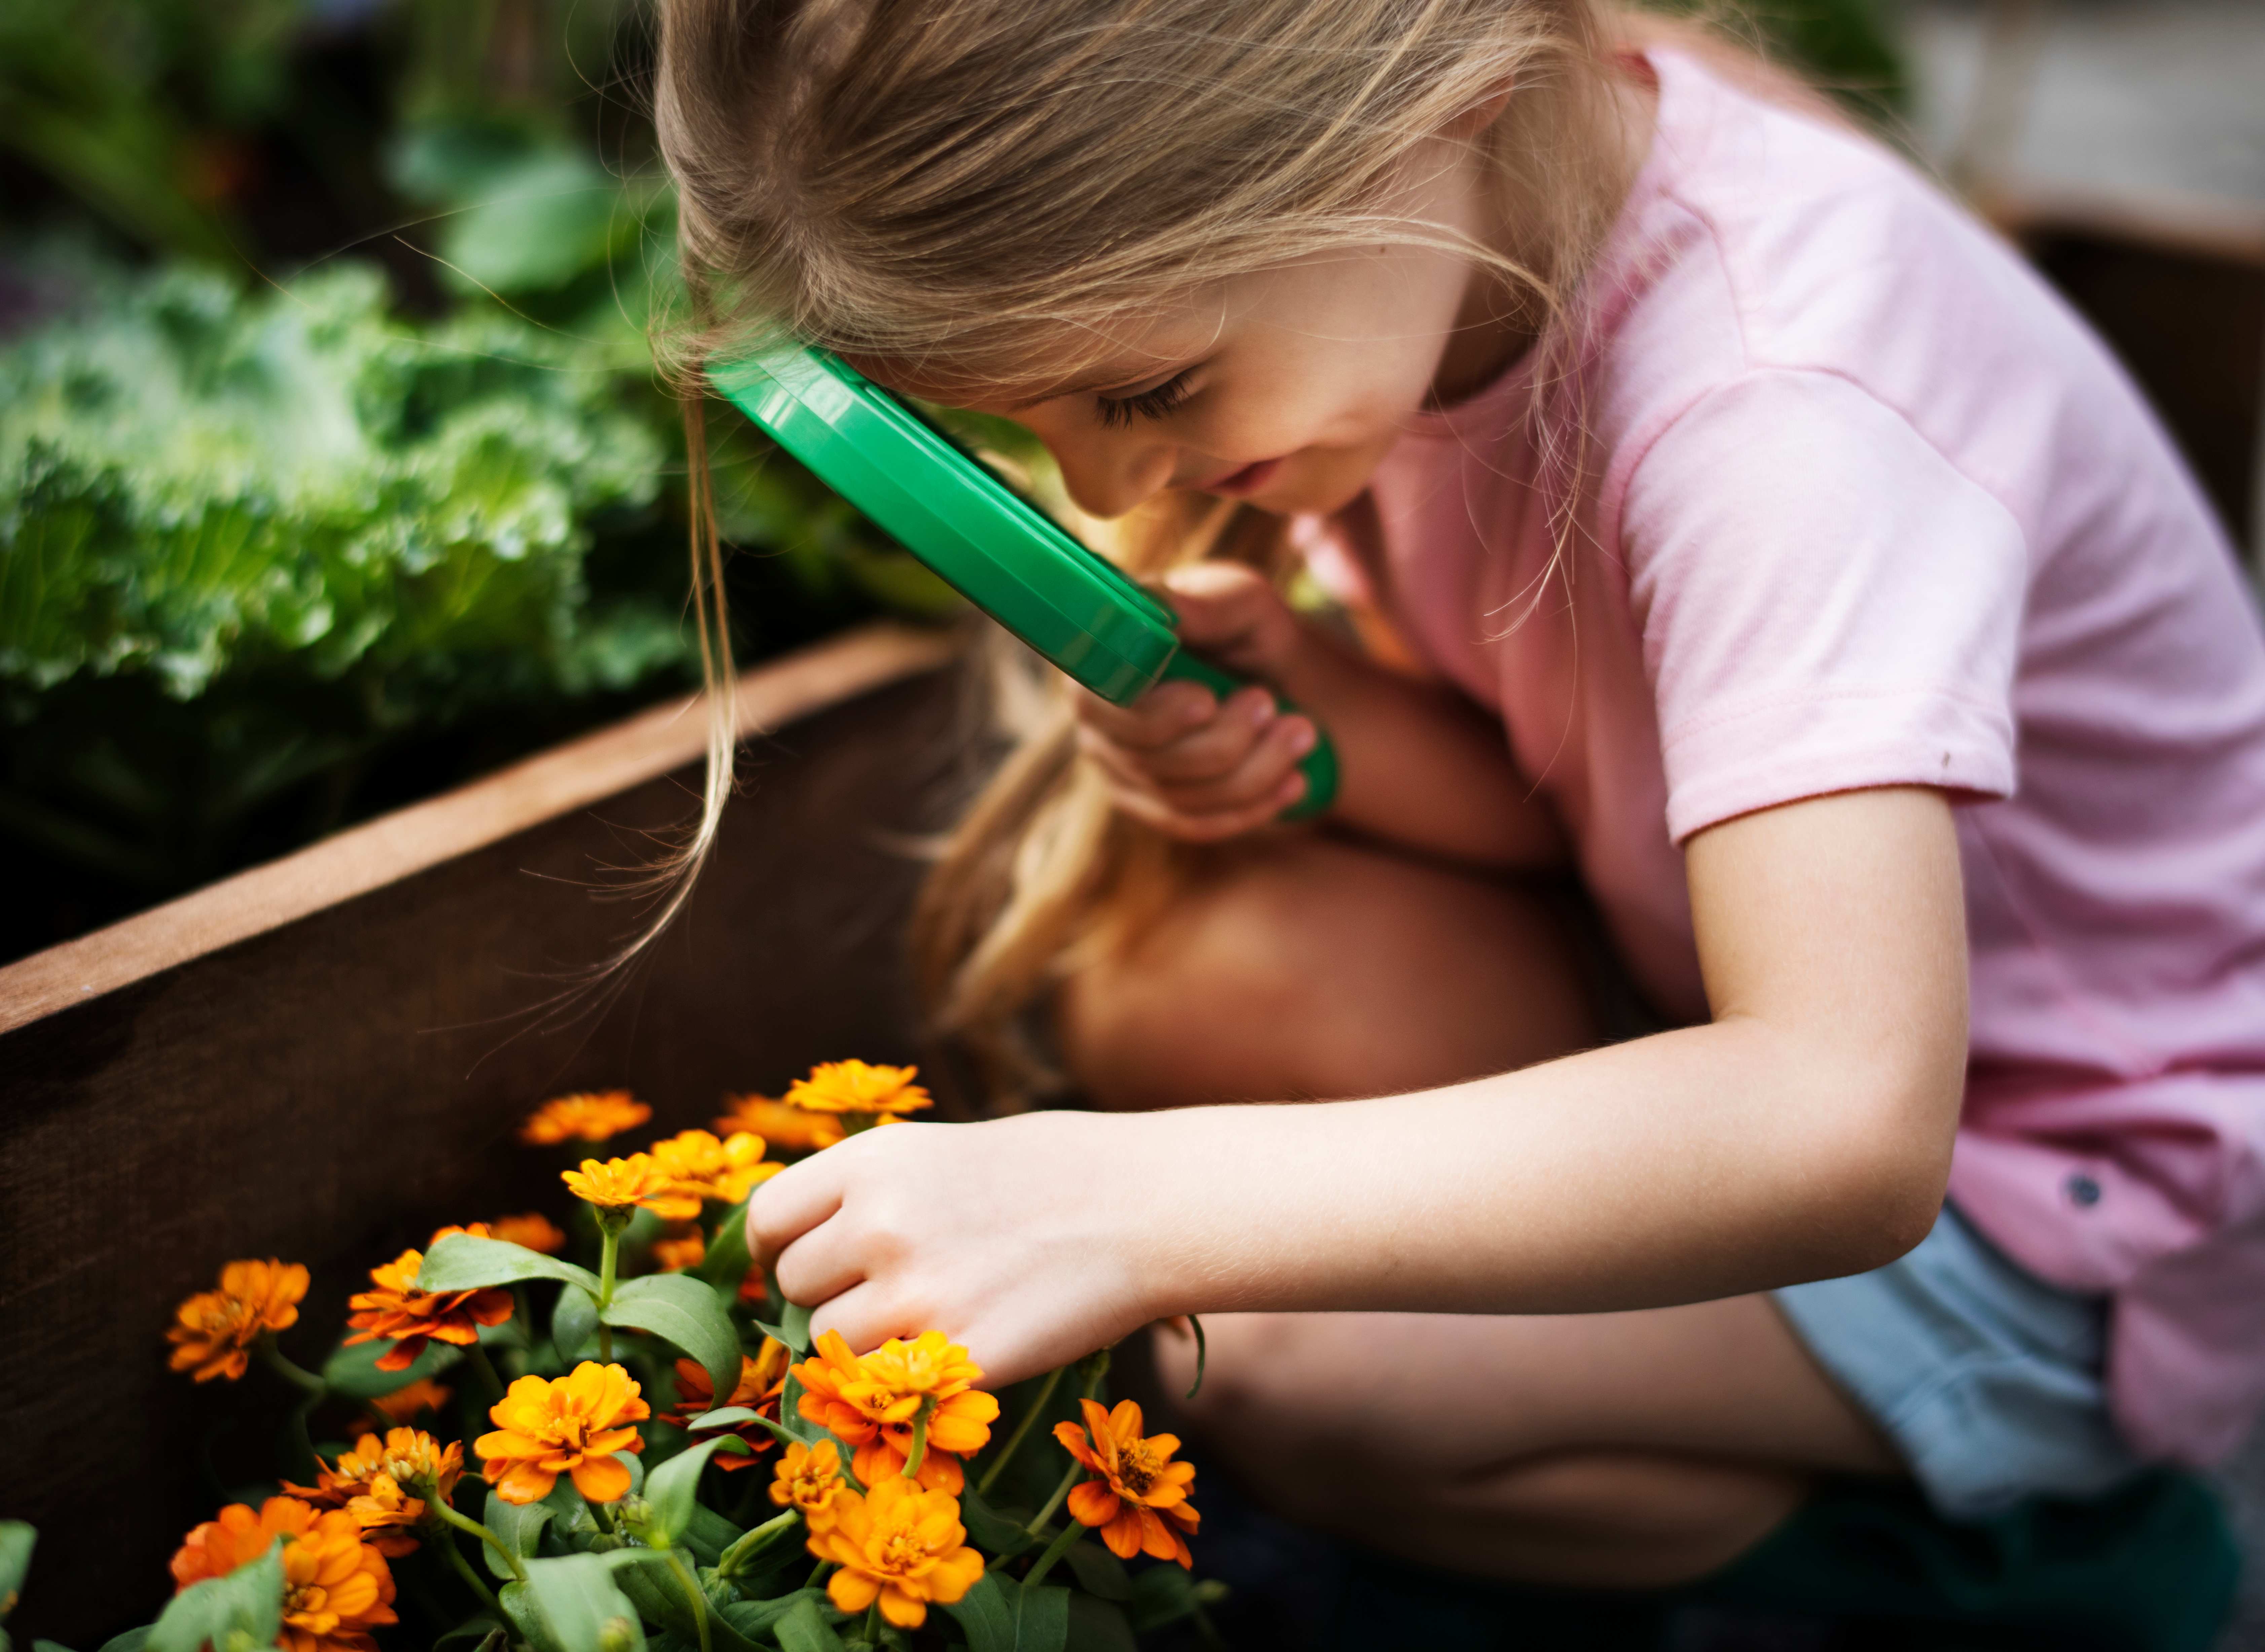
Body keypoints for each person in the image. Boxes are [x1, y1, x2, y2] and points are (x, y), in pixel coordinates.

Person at [655, 0, 2265, 1591]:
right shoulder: (1452, 257)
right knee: (1194, 989)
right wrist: (1321, 709)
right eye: (1041, 423)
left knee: (1297, 1376)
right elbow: (1590, 805)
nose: (1110, 488)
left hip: (2082, 1204)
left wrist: (1125, 1196)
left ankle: (2028, 1573)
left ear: (1442, 103)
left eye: (1147, 395)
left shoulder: (1778, 420)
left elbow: (1846, 1125)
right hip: (1769, 1017)